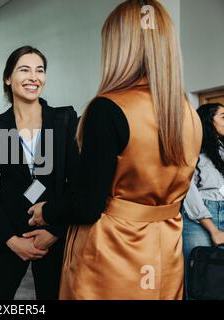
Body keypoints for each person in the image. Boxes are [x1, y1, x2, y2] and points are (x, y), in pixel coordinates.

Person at [28, 0, 202, 299]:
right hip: (164, 249)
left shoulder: (108, 109)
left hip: (113, 250)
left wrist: (47, 211)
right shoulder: (189, 115)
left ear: (120, 46)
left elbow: (87, 204)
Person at [0, 46, 79, 300]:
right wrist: (10, 239)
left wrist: (55, 232)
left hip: (55, 234)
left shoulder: (64, 119)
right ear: (8, 78)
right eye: (25, 69)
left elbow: (77, 183)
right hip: (9, 233)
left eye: (39, 70)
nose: (34, 77)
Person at [182, 102, 224, 299]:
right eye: (223, 116)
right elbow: (188, 190)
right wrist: (213, 229)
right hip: (199, 216)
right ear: (208, 121)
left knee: (219, 280)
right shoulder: (192, 148)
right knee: (199, 278)